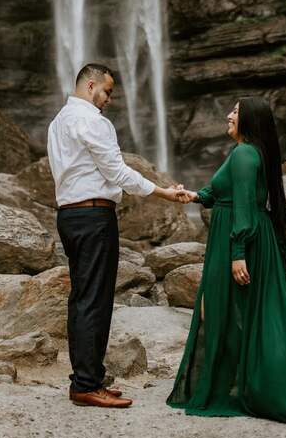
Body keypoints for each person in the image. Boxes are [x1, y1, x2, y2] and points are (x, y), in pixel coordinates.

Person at [168, 96, 286, 424]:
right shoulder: (243, 152)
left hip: (240, 240)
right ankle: (240, 381)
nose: (229, 115)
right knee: (239, 310)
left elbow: (246, 204)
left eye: (235, 111)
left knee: (231, 310)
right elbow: (226, 192)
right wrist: (194, 196)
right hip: (242, 237)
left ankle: (253, 387)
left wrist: (237, 254)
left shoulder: (245, 154)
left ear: (249, 119)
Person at [47, 62, 185, 410]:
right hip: (94, 216)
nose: (109, 99)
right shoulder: (93, 121)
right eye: (107, 91)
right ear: (90, 85)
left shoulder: (58, 122)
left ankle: (85, 378)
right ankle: (87, 385)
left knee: (82, 296)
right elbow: (117, 171)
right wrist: (162, 192)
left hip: (68, 215)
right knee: (96, 298)